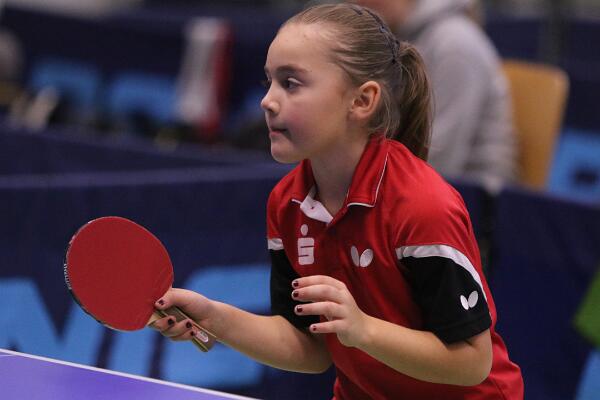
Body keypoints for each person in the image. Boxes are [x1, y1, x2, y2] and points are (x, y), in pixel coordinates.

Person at [150, 4, 524, 399]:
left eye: (291, 83)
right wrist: (214, 317)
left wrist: (363, 330)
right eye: (269, 82)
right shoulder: (288, 203)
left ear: (362, 101)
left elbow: (472, 361)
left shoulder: (422, 206)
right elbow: (310, 349)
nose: (268, 101)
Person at [351, 0, 516, 193]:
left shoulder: (455, 44)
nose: (357, 5)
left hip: (472, 197)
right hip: (420, 182)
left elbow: (442, 158)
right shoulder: (397, 36)